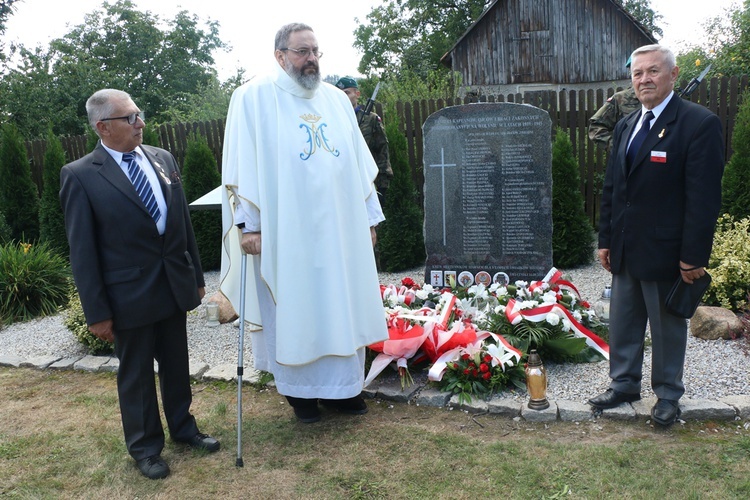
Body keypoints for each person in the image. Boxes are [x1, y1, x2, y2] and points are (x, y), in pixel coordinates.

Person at [220, 23, 388, 424]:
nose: (311, 59)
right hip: (286, 231)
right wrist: (250, 225)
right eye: (301, 52)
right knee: (296, 303)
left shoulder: (335, 99)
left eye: (315, 51)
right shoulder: (253, 98)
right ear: (280, 55)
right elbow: (244, 167)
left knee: (340, 301)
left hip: (340, 231)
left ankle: (344, 391)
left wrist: (368, 219)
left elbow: (358, 167)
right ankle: (301, 397)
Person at [60, 89, 219, 479]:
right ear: (102, 127)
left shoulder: (162, 158)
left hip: (171, 284)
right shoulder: (80, 175)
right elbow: (83, 252)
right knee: (136, 376)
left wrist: (195, 277)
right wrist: (97, 313)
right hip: (126, 294)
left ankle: (184, 428)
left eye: (139, 115)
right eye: (129, 118)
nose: (140, 123)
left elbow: (182, 225)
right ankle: (146, 448)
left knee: (176, 364)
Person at [589, 45, 724, 426]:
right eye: (637, 73)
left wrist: (693, 255)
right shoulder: (626, 125)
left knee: (666, 329)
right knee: (624, 322)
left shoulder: (698, 123)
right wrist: (605, 240)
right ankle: (625, 384)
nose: (644, 79)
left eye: (653, 72)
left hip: (668, 251)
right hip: (626, 247)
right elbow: (613, 187)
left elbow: (703, 198)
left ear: (673, 74)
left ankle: (667, 395)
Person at [335, 76, 393, 205]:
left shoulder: (371, 119)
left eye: (347, 93)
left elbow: (382, 151)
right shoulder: (333, 120)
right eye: (340, 94)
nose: (343, 97)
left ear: (357, 94)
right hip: (341, 184)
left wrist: (383, 186)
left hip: (367, 180)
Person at [588, 57, 641, 151]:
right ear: (631, 73)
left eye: (653, 71)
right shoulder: (620, 99)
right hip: (629, 162)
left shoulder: (665, 99)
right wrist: (619, 148)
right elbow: (596, 128)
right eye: (638, 72)